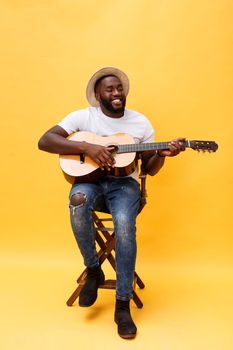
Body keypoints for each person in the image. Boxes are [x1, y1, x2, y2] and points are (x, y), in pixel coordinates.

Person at [38, 67, 185, 339]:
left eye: (119, 88)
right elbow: (45, 141)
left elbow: (150, 169)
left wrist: (163, 155)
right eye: (110, 89)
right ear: (98, 94)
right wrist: (89, 148)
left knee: (125, 225)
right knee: (77, 200)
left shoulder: (140, 123)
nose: (117, 93)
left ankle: (122, 305)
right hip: (89, 182)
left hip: (124, 185)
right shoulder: (83, 116)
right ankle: (93, 270)